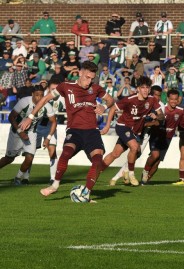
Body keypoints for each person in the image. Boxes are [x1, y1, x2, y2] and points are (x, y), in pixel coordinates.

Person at [19, 61, 114, 202]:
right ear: (80, 73)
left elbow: (111, 100)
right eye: (87, 77)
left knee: (97, 161)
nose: (89, 81)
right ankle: (55, 185)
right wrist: (30, 116)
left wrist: (104, 107)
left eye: (91, 78)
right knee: (65, 154)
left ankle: (86, 192)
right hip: (74, 130)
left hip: (92, 131)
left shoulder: (96, 88)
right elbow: (45, 99)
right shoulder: (66, 86)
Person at [100, 76, 164, 186]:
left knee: (116, 153)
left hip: (135, 131)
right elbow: (113, 108)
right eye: (142, 87)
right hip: (123, 126)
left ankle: (96, 171)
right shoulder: (130, 99)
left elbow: (162, 116)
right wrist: (107, 126)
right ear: (138, 88)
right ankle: (131, 174)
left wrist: (157, 116)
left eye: (147, 87)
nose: (145, 90)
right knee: (135, 147)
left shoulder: (152, 100)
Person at [0, 85, 56, 185]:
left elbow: (54, 122)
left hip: (31, 133)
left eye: (42, 95)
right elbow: (11, 117)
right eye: (37, 95)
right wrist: (20, 131)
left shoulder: (47, 106)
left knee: (29, 158)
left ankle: (17, 178)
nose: (39, 97)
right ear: (32, 94)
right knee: (9, 159)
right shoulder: (24, 101)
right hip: (16, 132)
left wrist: (48, 138)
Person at [141, 89, 184, 184]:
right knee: (155, 155)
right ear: (168, 99)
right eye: (172, 99)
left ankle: (146, 180)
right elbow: (154, 121)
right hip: (156, 136)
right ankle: (145, 170)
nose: (174, 101)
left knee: (157, 162)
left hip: (167, 139)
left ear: (178, 100)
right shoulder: (161, 109)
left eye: (176, 99)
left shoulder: (181, 111)